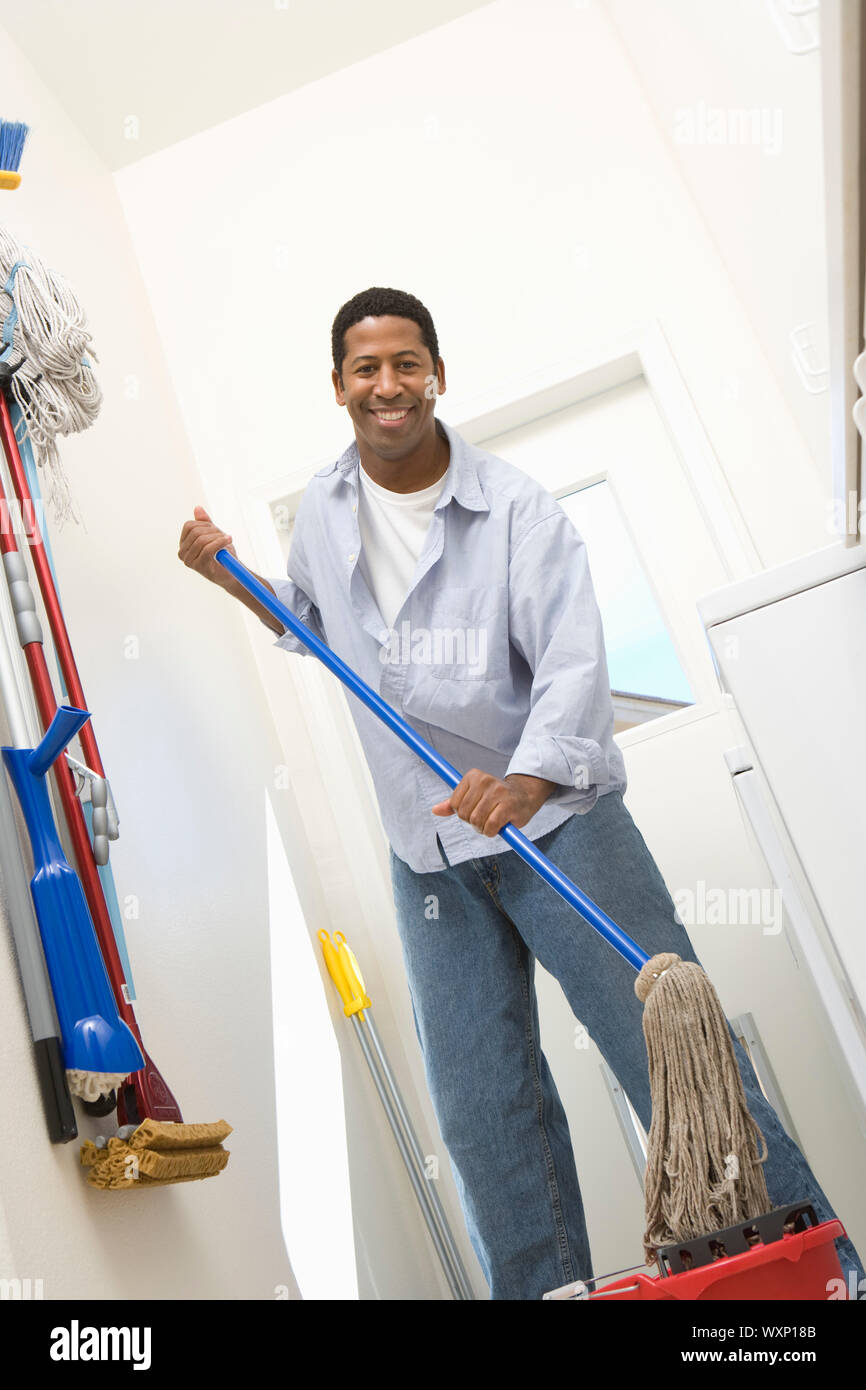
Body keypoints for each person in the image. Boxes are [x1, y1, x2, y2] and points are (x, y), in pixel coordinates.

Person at [179, 286, 864, 1300]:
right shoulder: (325, 511)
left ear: (436, 374)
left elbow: (573, 665)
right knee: (479, 1107)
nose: (387, 385)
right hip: (427, 853)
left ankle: (807, 1278)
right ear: (338, 386)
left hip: (557, 824)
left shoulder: (517, 512)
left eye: (405, 363)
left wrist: (527, 777)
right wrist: (232, 576)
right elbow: (311, 621)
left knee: (668, 1050)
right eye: (365, 368)